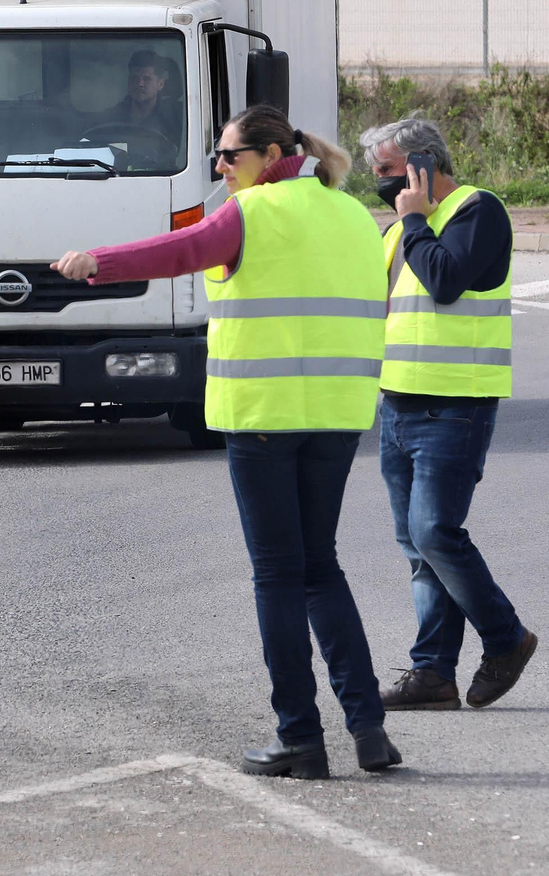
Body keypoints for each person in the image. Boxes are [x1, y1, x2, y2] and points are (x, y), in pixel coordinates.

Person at [52, 105, 400, 780]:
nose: (218, 167)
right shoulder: (353, 215)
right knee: (319, 568)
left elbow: (180, 251)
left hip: (265, 415)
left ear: (271, 155)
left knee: (277, 574)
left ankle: (300, 737)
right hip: (338, 414)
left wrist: (98, 260)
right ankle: (369, 729)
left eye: (228, 156)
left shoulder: (254, 215)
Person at [359, 115, 538, 711]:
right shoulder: (397, 232)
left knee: (435, 532)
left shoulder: (476, 210)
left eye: (387, 172)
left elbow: (444, 281)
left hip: (454, 404)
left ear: (423, 165)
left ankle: (506, 638)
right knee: (417, 547)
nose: (380, 185)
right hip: (398, 405)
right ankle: (433, 673)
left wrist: (413, 219)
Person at [90, 50, 181, 143]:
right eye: (135, 78)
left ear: (160, 84)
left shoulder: (176, 117)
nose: (140, 84)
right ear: (129, 81)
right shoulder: (112, 118)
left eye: (147, 79)